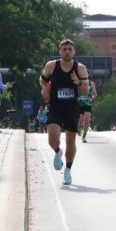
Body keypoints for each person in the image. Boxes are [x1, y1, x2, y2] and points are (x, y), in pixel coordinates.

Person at [40, 39, 90, 185]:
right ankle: (57, 151)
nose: (67, 51)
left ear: (74, 52)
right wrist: (45, 89)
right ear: (60, 51)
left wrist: (79, 83)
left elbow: (85, 90)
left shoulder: (80, 68)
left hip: (71, 108)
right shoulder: (51, 66)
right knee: (52, 137)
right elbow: (42, 80)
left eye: (70, 49)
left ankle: (68, 170)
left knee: (70, 140)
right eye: (64, 49)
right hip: (55, 106)